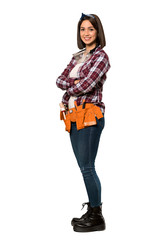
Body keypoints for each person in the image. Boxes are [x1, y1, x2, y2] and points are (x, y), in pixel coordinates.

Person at [56, 13, 111, 232]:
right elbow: (59, 79)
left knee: (88, 167)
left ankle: (97, 216)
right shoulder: (78, 56)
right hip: (73, 116)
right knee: (83, 167)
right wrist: (72, 82)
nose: (86, 33)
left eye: (90, 29)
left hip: (89, 114)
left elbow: (86, 85)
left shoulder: (101, 57)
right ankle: (92, 210)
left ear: (98, 32)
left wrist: (72, 84)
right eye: (82, 29)